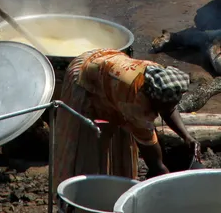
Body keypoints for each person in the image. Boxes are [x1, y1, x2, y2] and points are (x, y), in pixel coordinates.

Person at [54, 49, 198, 188]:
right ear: (153, 100)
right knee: (87, 139)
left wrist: (186, 137)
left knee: (121, 135)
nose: (170, 108)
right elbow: (148, 144)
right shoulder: (135, 103)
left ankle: (115, 179)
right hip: (86, 76)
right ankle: (81, 189)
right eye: (165, 106)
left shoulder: (159, 75)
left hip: (108, 67)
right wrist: (160, 171)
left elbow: (169, 108)